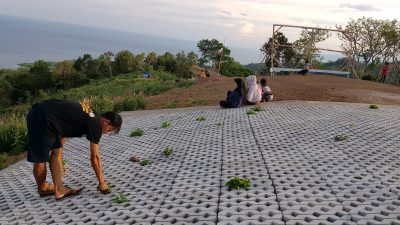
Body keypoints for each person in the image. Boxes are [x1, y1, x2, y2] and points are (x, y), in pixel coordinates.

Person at [26, 99, 122, 201]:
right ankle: (43, 188)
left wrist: (58, 157)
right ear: (106, 122)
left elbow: (66, 127)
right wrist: (102, 182)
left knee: (57, 152)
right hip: (42, 118)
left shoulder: (92, 115)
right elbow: (95, 157)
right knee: (40, 158)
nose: (106, 133)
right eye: (109, 129)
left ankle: (59, 190)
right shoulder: (96, 125)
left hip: (46, 116)